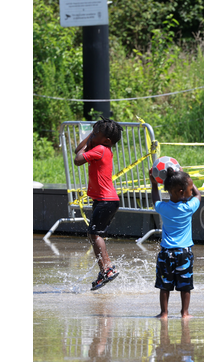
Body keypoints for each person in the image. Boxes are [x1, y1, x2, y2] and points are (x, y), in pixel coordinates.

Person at [73, 116, 123, 291]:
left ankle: (107, 268)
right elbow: (76, 150)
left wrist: (91, 141)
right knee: (95, 234)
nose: (93, 136)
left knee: (95, 234)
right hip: (105, 200)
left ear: (107, 140)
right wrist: (92, 136)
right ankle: (105, 269)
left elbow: (77, 160)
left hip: (105, 200)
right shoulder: (103, 147)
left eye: (96, 133)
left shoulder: (100, 149)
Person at [149, 167, 202, 319]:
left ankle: (164, 313)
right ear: (181, 192)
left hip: (166, 252)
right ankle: (184, 313)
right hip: (184, 253)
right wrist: (186, 175)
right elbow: (199, 195)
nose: (192, 192)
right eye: (189, 189)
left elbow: (155, 200)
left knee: (164, 285)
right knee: (185, 286)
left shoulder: (163, 208)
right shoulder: (188, 207)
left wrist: (154, 184)